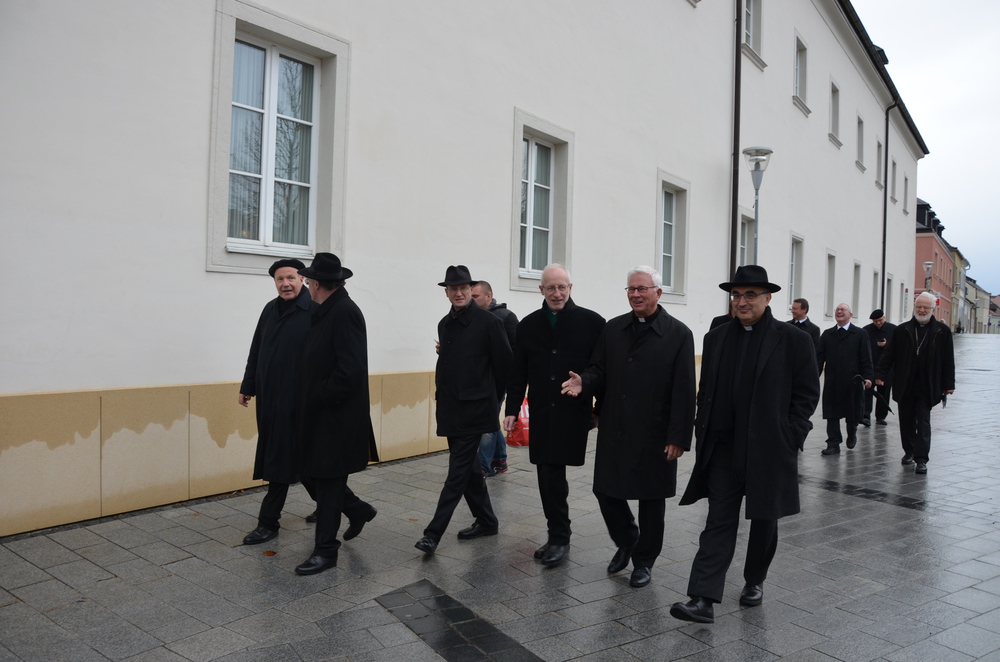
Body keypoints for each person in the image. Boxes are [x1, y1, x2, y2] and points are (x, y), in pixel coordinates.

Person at [670, 265, 819, 624]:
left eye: (750, 295)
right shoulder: (717, 337)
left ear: (768, 299)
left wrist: (791, 435)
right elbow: (706, 390)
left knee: (764, 519)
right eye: (736, 295)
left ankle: (754, 580)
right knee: (718, 521)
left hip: (769, 448)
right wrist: (702, 425)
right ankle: (702, 598)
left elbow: (807, 394)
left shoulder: (793, 340)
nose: (742, 301)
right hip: (723, 448)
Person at [561, 266, 695, 588]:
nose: (635, 294)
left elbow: (684, 390)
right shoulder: (613, 328)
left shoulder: (678, 334)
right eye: (631, 289)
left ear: (658, 293)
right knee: (604, 490)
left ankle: (644, 561)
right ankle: (627, 539)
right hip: (617, 425)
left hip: (655, 431)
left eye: (642, 289)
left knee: (651, 499)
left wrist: (678, 437)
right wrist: (585, 382)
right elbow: (599, 370)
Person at [503, 264, 605, 568]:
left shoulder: (592, 322)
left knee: (556, 472)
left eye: (562, 287)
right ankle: (558, 535)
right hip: (542, 411)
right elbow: (518, 370)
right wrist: (511, 410)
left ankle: (561, 534)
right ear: (541, 290)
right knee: (547, 475)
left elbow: (602, 369)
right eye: (551, 288)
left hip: (573, 411)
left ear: (570, 288)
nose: (557, 293)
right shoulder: (528, 324)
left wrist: (598, 409)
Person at [415, 265, 512, 555]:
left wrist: (490, 402)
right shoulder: (445, 324)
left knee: (456, 473)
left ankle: (432, 534)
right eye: (453, 289)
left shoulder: (488, 322)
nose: (458, 293)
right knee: (469, 471)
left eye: (463, 288)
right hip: (450, 409)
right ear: (446, 292)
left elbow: (505, 367)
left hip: (475, 412)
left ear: (471, 290)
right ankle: (487, 521)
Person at [293, 253, 379, 575]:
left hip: (336, 418)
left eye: (307, 282)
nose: (306, 286)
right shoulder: (327, 310)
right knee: (310, 472)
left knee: (328, 482)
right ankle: (357, 510)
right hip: (321, 415)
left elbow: (350, 370)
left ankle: (326, 551)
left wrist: (317, 395)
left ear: (316, 284)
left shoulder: (344, 312)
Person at [238, 259, 318, 546]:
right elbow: (256, 349)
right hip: (270, 398)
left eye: (291, 278)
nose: (285, 284)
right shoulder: (270, 309)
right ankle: (348, 506)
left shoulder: (315, 310)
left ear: (303, 279)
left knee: (279, 457)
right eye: (279, 279)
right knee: (297, 458)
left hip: (299, 401)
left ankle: (268, 522)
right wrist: (248, 385)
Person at [875, 292, 955, 474]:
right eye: (919, 306)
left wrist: (948, 384)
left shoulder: (942, 331)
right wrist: (880, 374)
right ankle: (909, 451)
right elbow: (889, 354)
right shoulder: (902, 330)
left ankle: (921, 459)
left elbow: (948, 359)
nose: (922, 310)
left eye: (926, 307)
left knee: (923, 422)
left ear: (932, 309)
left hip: (928, 385)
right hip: (905, 383)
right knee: (906, 420)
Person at [471, 280, 518, 477]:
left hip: (498, 381)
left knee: (487, 421)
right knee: (490, 420)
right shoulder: (472, 318)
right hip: (479, 380)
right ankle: (500, 460)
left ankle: (482, 467)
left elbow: (515, 351)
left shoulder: (505, 317)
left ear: (488, 296)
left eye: (475, 296)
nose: (471, 300)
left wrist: (511, 381)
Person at [816, 303, 873, 455]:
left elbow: (866, 358)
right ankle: (833, 443)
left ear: (850, 315)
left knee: (852, 412)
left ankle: (852, 433)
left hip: (853, 381)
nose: (839, 312)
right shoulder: (827, 334)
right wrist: (813, 376)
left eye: (843, 310)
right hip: (833, 381)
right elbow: (819, 359)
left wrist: (868, 377)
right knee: (831, 413)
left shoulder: (860, 334)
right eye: (837, 310)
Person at [863, 309, 896, 426]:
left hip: (886, 368)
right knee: (867, 392)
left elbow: (898, 347)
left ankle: (881, 416)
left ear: (884, 318)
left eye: (880, 320)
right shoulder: (866, 330)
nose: (878, 323)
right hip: (870, 366)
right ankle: (865, 415)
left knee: (884, 393)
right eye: (875, 321)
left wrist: (887, 344)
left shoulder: (893, 329)